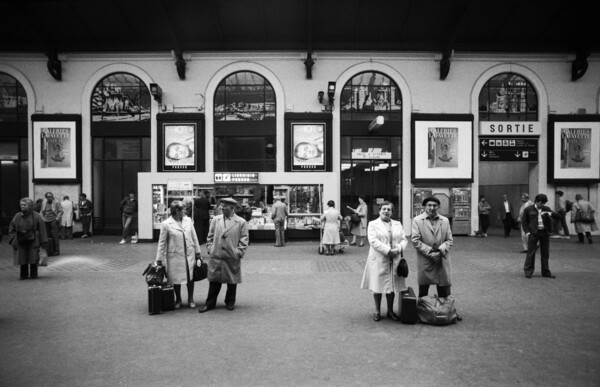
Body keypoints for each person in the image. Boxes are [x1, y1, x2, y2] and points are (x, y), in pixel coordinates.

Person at [199, 197, 249, 313]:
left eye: (225, 206)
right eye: (221, 206)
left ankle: (230, 302)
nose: (222, 208)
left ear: (232, 208)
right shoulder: (215, 220)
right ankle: (210, 303)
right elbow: (210, 236)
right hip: (217, 255)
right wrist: (211, 249)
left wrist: (239, 252)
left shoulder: (241, 222)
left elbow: (244, 239)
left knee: (232, 281)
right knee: (214, 282)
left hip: (232, 255)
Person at [360, 201, 407, 322]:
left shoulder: (397, 224)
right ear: (379, 210)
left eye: (389, 210)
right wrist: (388, 250)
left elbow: (403, 239)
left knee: (392, 286)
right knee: (378, 286)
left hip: (394, 259)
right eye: (384, 209)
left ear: (392, 212)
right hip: (379, 259)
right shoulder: (373, 224)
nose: (386, 211)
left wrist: (398, 249)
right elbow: (373, 241)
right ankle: (377, 310)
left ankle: (390, 311)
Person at [155, 200, 202, 308]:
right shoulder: (166, 224)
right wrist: (159, 259)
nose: (186, 210)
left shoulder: (188, 221)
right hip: (174, 255)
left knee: (190, 277)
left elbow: (194, 237)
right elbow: (161, 243)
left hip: (189, 254)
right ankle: (178, 299)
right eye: (184, 208)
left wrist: (198, 253)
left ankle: (191, 298)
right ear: (177, 211)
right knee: (175, 278)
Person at [412, 196, 457, 306]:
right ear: (424, 207)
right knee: (423, 289)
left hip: (441, 259)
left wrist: (439, 252)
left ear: (438, 207)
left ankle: (447, 310)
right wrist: (431, 252)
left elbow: (449, 240)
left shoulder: (445, 221)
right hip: (426, 259)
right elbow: (415, 240)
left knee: (444, 288)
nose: (432, 208)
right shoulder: (417, 220)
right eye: (429, 205)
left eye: (434, 205)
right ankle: (422, 310)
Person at [521, 193, 560, 278]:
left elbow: (558, 216)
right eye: (541, 203)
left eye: (544, 203)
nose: (542, 205)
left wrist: (550, 214)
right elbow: (524, 222)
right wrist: (527, 232)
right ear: (536, 201)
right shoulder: (528, 209)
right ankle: (528, 271)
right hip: (533, 233)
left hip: (544, 232)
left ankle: (546, 272)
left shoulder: (546, 209)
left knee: (545, 253)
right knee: (531, 253)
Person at [8, 198, 48, 280]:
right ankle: (23, 275)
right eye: (21, 205)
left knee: (33, 257)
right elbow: (11, 228)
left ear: (30, 206)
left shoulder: (36, 216)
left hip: (34, 240)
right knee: (22, 257)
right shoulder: (17, 216)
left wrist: (43, 241)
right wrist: (13, 239)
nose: (22, 206)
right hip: (21, 240)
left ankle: (34, 274)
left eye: (24, 205)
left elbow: (42, 229)